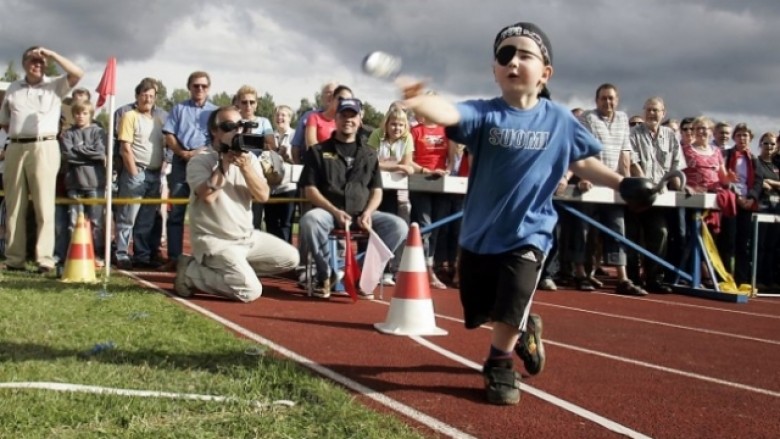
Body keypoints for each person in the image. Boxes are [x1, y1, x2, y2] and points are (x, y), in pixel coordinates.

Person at [399, 22, 649, 405]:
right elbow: (446, 112)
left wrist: (622, 183)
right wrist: (419, 100)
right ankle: (524, 326)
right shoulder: (484, 114)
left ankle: (499, 364)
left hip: (530, 232)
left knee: (514, 295)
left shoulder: (561, 120)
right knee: (482, 309)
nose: (513, 61)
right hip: (480, 233)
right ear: (495, 71)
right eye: (504, 55)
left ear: (546, 73)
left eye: (524, 55)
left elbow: (582, 162)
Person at [173, 106, 299, 302]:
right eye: (229, 126)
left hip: (247, 238)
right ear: (215, 131)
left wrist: (247, 167)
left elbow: (263, 196)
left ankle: (232, 271)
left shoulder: (249, 160)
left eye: (239, 126)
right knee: (250, 291)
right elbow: (208, 196)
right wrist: (225, 162)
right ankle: (190, 272)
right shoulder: (200, 161)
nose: (236, 131)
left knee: (291, 258)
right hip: (216, 241)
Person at [298, 98, 409, 299]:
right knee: (310, 220)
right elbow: (310, 190)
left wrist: (368, 213)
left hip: (362, 214)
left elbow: (376, 190)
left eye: (353, 116)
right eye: (343, 115)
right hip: (329, 213)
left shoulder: (369, 154)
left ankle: (363, 275)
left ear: (360, 119)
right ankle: (326, 276)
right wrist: (334, 211)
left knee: (399, 226)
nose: (348, 120)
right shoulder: (318, 151)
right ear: (336, 118)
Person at [0, 46, 83, 273]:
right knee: (14, 205)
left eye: (40, 61)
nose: (36, 64)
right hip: (16, 146)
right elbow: (5, 120)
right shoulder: (14, 88)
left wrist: (52, 54)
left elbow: (78, 73)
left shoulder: (54, 85)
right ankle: (14, 259)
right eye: (32, 60)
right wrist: (18, 135)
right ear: (24, 63)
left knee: (44, 204)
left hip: (44, 145)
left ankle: (45, 258)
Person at [577, 83, 647, 296]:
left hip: (613, 185)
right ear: (596, 100)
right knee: (585, 230)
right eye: (603, 98)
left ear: (617, 100)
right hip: (591, 182)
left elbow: (626, 152)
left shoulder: (623, 120)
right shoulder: (588, 118)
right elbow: (581, 150)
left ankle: (622, 277)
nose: (607, 102)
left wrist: (630, 181)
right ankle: (581, 273)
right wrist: (583, 177)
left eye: (611, 98)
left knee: (617, 228)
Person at [627, 97, 685, 293]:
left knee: (660, 233)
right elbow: (633, 163)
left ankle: (654, 277)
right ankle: (632, 277)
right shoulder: (633, 134)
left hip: (660, 198)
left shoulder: (671, 136)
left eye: (656, 110)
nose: (652, 114)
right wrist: (645, 185)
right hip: (636, 196)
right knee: (632, 235)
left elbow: (676, 166)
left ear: (663, 113)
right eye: (649, 110)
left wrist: (681, 187)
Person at [162, 71, 218, 269]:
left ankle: (206, 259)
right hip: (181, 162)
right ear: (189, 87)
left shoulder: (215, 111)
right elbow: (169, 135)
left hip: (206, 163)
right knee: (176, 211)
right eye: (196, 86)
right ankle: (175, 258)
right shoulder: (178, 109)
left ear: (208, 88)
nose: (200, 89)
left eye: (203, 86)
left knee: (207, 211)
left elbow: (220, 137)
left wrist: (208, 153)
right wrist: (184, 153)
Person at [114, 79, 167, 270]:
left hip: (154, 174)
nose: (148, 99)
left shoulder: (160, 120)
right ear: (137, 96)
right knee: (128, 216)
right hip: (136, 172)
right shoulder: (129, 116)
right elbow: (125, 147)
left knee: (146, 218)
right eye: (144, 95)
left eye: (151, 96)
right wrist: (134, 172)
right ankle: (121, 253)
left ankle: (142, 255)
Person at [60, 100, 107, 265]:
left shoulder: (99, 132)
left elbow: (100, 153)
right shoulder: (68, 134)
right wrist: (89, 153)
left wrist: (78, 149)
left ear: (90, 114)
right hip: (74, 184)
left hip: (95, 183)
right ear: (73, 115)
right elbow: (68, 155)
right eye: (78, 113)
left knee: (97, 222)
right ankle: (73, 255)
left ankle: (97, 254)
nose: (81, 116)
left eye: (84, 113)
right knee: (74, 222)